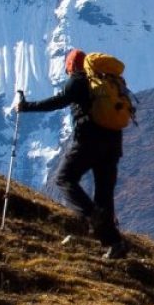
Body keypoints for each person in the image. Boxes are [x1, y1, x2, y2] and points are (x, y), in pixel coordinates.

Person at [15, 48, 129, 259]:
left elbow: (58, 101)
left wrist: (26, 106)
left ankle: (95, 220)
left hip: (88, 141)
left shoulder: (77, 81)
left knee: (64, 178)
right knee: (104, 193)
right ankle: (114, 244)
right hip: (113, 143)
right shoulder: (107, 82)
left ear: (70, 67)